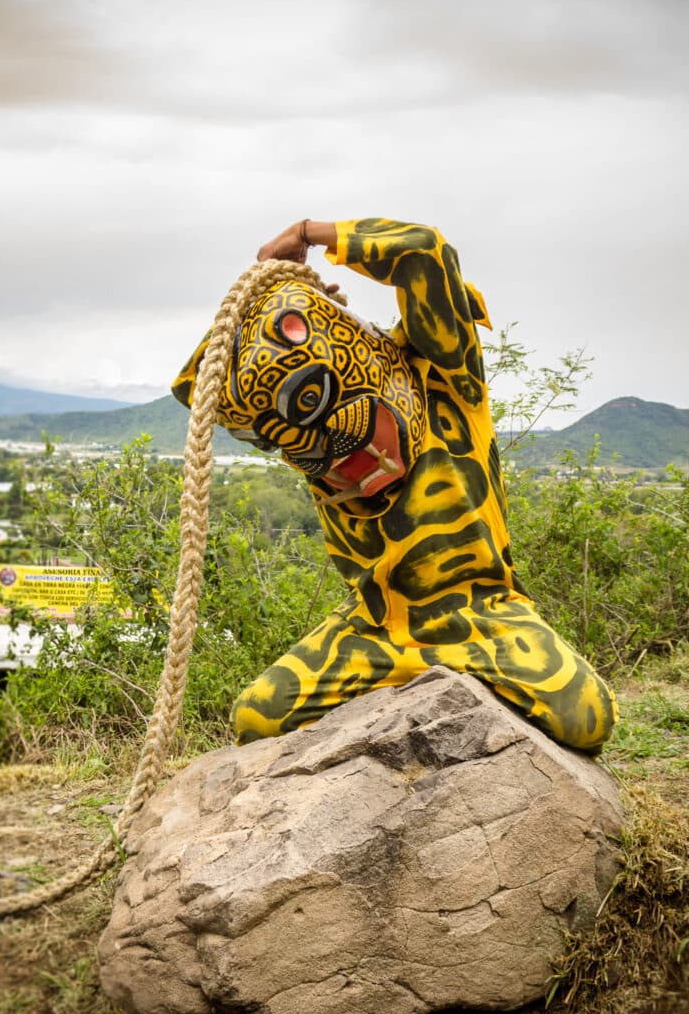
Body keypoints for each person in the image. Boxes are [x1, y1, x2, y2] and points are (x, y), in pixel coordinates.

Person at [173, 218, 618, 752]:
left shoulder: (443, 376)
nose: (333, 448)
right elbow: (195, 388)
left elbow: (425, 252)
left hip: (481, 617)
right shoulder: (302, 443)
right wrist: (263, 292)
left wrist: (310, 235)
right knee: (257, 715)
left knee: (585, 715)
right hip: (374, 628)